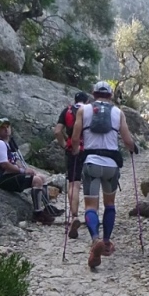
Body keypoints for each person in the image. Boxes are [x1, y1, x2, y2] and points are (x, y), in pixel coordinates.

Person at [71, 81, 138, 269]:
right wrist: (133, 148)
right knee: (110, 204)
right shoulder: (118, 112)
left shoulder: (83, 110)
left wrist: (75, 151)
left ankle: (95, 240)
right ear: (110, 95)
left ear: (93, 94)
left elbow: (75, 138)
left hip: (91, 162)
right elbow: (127, 140)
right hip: (111, 165)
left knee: (91, 206)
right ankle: (106, 241)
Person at [0, 118, 55, 225]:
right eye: (2, 128)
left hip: (8, 176)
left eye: (7, 127)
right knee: (37, 180)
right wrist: (23, 171)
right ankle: (38, 214)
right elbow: (5, 164)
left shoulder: (6, 143)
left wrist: (26, 170)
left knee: (42, 177)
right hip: (2, 178)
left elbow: (13, 162)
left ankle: (47, 208)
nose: (6, 129)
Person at [54, 91, 89, 238]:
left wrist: (64, 144)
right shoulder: (89, 110)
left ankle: (74, 216)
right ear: (86, 101)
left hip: (73, 150)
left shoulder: (66, 111)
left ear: (75, 100)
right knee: (90, 184)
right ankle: (92, 215)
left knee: (73, 184)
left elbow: (57, 131)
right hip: (89, 149)